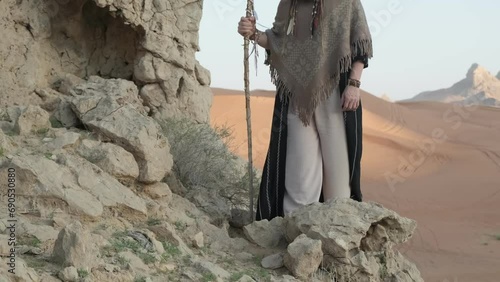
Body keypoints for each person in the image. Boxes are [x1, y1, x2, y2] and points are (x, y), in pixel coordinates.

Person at [237, 0, 373, 220]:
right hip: (297, 98)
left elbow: (360, 43)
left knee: (338, 184)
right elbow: (278, 42)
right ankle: (296, 236)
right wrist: (252, 33)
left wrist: (354, 84)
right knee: (299, 178)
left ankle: (337, 235)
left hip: (336, 94)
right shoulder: (289, 4)